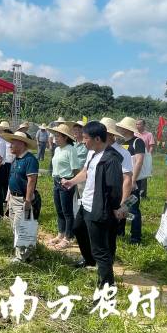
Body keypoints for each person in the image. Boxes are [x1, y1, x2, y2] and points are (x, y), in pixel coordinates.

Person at [62, 121, 124, 288]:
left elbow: (114, 189)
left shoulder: (112, 160)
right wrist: (72, 182)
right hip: (86, 204)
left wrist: (113, 209)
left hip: (99, 208)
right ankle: (89, 260)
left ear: (97, 139)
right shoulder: (93, 153)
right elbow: (86, 172)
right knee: (77, 228)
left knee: (101, 251)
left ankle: (106, 290)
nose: (83, 141)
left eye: (85, 138)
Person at [2, 131, 39, 262]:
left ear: (22, 144)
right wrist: (8, 198)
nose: (10, 145)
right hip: (13, 198)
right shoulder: (16, 159)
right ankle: (22, 252)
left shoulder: (30, 160)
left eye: (13, 142)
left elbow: (31, 181)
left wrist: (28, 201)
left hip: (23, 200)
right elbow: (12, 179)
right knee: (15, 225)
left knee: (23, 226)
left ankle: (23, 256)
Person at [47, 124, 80, 250]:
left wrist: (73, 183)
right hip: (56, 182)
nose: (55, 138)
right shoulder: (57, 149)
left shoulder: (71, 150)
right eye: (55, 135)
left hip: (66, 182)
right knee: (59, 210)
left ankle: (68, 237)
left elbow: (76, 170)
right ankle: (60, 234)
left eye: (58, 136)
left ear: (65, 137)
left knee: (67, 211)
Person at [116, 117, 145, 244]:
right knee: (121, 205)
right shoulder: (121, 143)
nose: (119, 129)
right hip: (122, 181)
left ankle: (135, 237)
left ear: (127, 129)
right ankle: (120, 232)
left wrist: (133, 181)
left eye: (121, 127)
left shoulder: (138, 142)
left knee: (133, 209)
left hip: (133, 182)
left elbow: (139, 161)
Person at [134, 119, 155, 198]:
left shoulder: (149, 134)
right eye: (136, 124)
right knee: (135, 173)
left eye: (139, 124)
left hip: (145, 157)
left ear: (143, 125)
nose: (137, 126)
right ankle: (135, 192)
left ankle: (142, 195)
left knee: (143, 175)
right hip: (135, 157)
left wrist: (148, 156)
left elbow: (151, 146)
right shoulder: (134, 134)